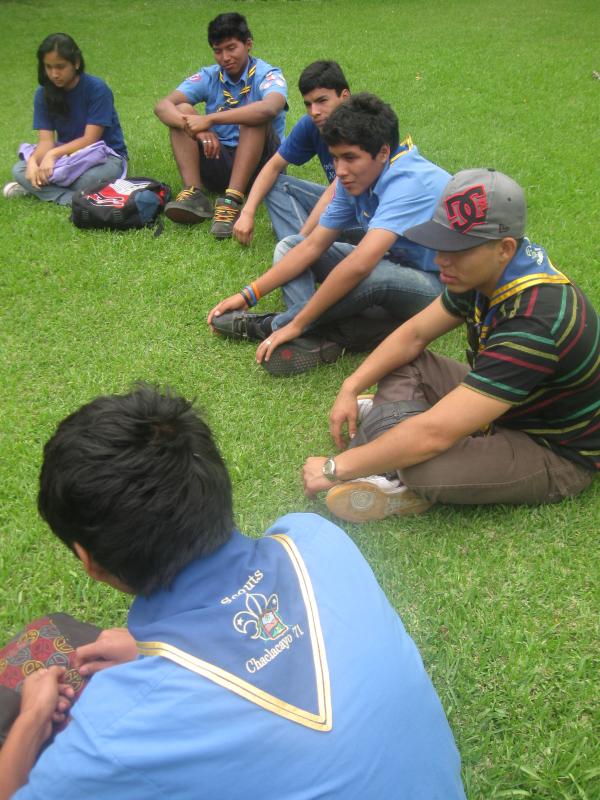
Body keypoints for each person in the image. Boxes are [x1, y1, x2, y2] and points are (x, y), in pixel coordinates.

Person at [1, 385, 466, 800]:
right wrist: (154, 654)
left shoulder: (115, 731)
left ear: (89, 563)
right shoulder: (312, 538)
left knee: (41, 650)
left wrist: (31, 722)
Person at [302, 169, 599, 522]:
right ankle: (396, 431)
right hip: (507, 405)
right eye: (441, 243)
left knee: (422, 468)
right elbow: (413, 334)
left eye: (458, 249)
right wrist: (351, 385)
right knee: (404, 362)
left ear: (503, 249)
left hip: (552, 447)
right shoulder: (490, 269)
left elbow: (435, 435)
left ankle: (395, 460)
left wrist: (336, 467)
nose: (442, 259)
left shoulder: (534, 324)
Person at [208, 93, 450, 376]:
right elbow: (312, 246)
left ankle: (275, 325)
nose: (341, 171)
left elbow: (360, 265)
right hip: (394, 262)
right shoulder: (354, 179)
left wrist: (295, 323)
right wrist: (249, 293)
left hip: (439, 287)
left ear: (383, 153)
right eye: (335, 158)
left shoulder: (408, 182)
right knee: (291, 245)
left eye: (350, 158)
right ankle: (326, 334)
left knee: (369, 274)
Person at [154, 12, 287, 239]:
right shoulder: (209, 76)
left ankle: (231, 201)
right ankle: (194, 194)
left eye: (231, 48)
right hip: (219, 159)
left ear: (248, 45)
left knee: (253, 114)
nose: (225, 57)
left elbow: (270, 107)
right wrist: (198, 130)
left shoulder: (268, 74)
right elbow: (163, 106)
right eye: (218, 51)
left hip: (262, 168)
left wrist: (211, 119)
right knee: (183, 111)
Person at [232, 60, 351, 246]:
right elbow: (272, 167)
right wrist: (247, 213)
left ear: (345, 96)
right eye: (308, 104)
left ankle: (303, 248)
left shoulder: (362, 126)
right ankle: (307, 244)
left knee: (301, 243)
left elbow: (336, 191)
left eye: (322, 101)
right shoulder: (311, 124)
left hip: (370, 218)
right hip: (340, 206)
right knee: (276, 183)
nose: (315, 112)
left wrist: (300, 244)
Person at [3, 33, 127, 207]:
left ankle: (36, 189)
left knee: (86, 181)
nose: (54, 74)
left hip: (106, 157)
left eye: (60, 67)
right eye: (48, 67)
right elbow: (45, 141)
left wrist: (53, 154)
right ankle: (72, 197)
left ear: (76, 63)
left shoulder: (97, 89)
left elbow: (90, 139)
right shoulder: (43, 93)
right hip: (66, 158)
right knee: (20, 169)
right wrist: (32, 161)